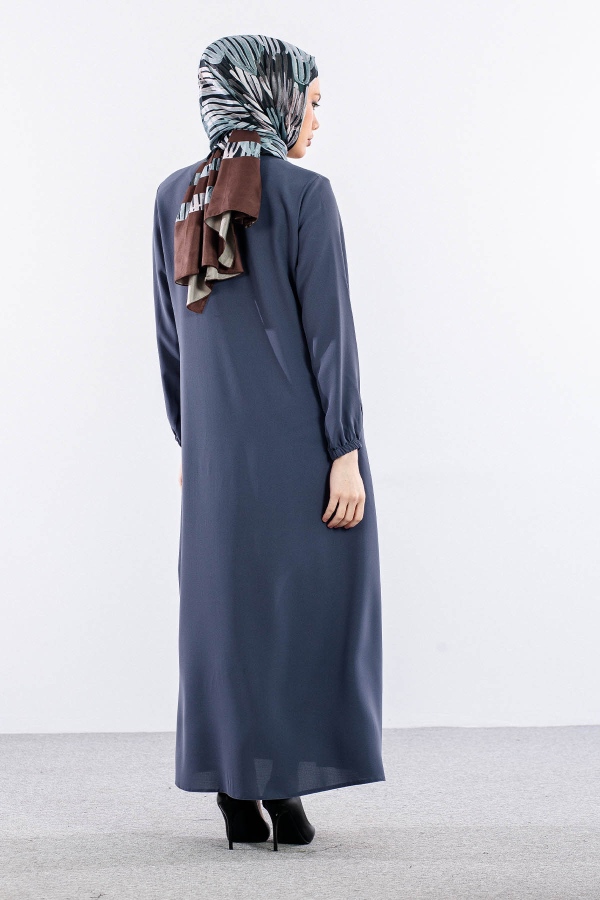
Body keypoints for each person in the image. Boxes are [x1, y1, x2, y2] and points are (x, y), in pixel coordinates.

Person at [152, 34, 385, 852]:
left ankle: (237, 787)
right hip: (301, 447)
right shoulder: (306, 194)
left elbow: (170, 337)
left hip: (216, 453)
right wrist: (345, 450)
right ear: (272, 93)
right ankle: (279, 781)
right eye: (311, 102)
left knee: (226, 614)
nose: (316, 121)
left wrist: (192, 441)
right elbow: (330, 334)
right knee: (303, 609)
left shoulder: (174, 196)